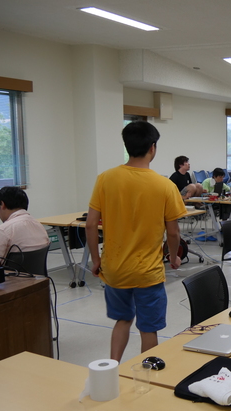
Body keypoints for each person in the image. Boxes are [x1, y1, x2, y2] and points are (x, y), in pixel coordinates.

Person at [86, 121, 186, 362]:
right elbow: (173, 233)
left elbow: (90, 225)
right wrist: (173, 257)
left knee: (123, 320)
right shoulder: (165, 185)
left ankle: (112, 369)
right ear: (153, 147)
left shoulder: (105, 179)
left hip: (115, 269)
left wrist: (96, 260)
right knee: (148, 328)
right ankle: (146, 378)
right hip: (147, 272)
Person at [0, 187, 49, 266]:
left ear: (2, 204)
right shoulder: (39, 225)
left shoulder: (3, 230)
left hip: (11, 273)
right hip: (36, 273)